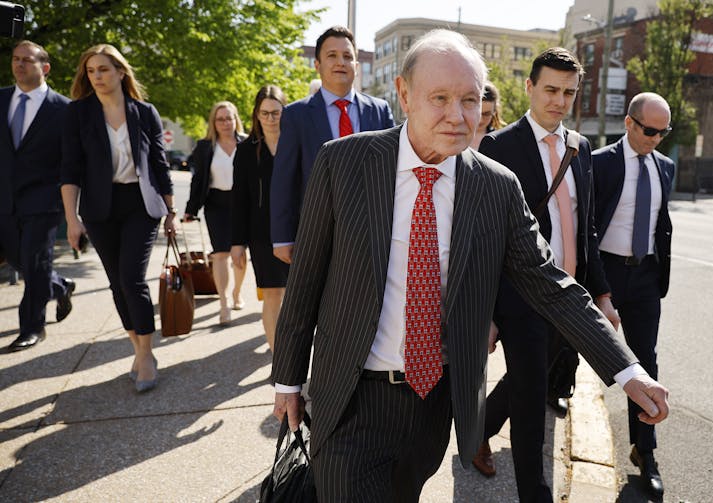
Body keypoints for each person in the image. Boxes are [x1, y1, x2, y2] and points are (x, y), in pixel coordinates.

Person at [271, 29, 669, 502]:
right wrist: (288, 380)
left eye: (470, 100)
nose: (458, 116)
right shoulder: (345, 162)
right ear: (403, 94)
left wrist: (627, 370)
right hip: (350, 397)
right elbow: (306, 282)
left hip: (432, 403)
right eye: (439, 98)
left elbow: (550, 284)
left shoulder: (495, 187)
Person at [473, 47, 620, 501]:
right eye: (551, 89)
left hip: (570, 297)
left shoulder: (581, 147)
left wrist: (601, 293)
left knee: (526, 379)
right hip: (522, 298)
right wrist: (490, 313)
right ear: (529, 87)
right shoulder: (499, 147)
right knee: (532, 400)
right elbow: (488, 240)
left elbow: (587, 224)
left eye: (569, 92)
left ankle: (478, 431)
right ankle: (534, 493)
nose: (558, 100)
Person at [61, 44, 175, 393]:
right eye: (91, 71)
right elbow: (70, 169)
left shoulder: (144, 112)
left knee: (132, 279)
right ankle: (140, 351)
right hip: (99, 209)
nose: (97, 76)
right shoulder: (78, 113)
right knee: (116, 283)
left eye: (104, 69)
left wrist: (170, 212)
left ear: (121, 72)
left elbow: (159, 164)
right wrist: (71, 220)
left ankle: (146, 355)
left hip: (140, 205)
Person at [592, 92, 675, 499]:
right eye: (649, 130)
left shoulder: (666, 168)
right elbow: (586, 223)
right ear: (629, 123)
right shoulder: (599, 163)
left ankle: (645, 452)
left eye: (663, 132)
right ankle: (553, 390)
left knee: (645, 363)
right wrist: (595, 283)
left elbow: (661, 225)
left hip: (644, 276)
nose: (655, 139)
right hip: (602, 270)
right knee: (562, 347)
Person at [269, 25, 394, 265]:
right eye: (332, 56)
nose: (341, 62)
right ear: (317, 65)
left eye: (348, 57)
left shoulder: (380, 111)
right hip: (317, 234)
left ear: (356, 66)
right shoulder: (296, 115)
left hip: (374, 233)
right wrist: (282, 237)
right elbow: (284, 179)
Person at [0, 40, 75, 351]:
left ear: (44, 68)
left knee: (34, 260)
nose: (19, 65)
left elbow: (71, 159)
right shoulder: (1, 99)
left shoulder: (64, 109)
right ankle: (60, 285)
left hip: (44, 200)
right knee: (20, 260)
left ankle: (32, 327)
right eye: (16, 59)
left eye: (27, 60)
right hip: (4, 197)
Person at [231, 86, 288, 352]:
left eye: (276, 112)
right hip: (261, 233)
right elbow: (239, 199)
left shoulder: (295, 142)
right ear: (256, 114)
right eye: (264, 113)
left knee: (295, 297)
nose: (270, 119)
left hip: (296, 229)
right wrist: (237, 243)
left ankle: (294, 355)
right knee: (273, 293)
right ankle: (279, 359)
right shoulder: (245, 150)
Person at [183, 101, 247, 326]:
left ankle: (237, 292)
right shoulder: (205, 147)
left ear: (235, 119)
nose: (225, 123)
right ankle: (223, 303)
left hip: (242, 205)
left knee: (239, 255)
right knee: (220, 254)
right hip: (216, 205)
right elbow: (198, 180)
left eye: (229, 118)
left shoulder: (247, 143)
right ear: (214, 122)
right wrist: (190, 210)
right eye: (220, 119)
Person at [470, 81, 504, 150]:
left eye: (486, 114)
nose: (481, 119)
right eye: (478, 113)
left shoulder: (500, 139)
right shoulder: (454, 134)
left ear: (494, 112)